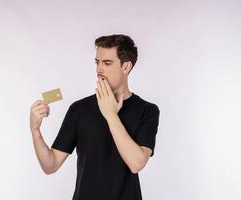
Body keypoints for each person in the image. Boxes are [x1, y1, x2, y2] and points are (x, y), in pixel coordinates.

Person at [29, 34, 160, 200]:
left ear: (126, 67)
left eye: (107, 63)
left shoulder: (147, 110)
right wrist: (35, 130)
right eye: (97, 62)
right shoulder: (79, 109)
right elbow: (50, 165)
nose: (99, 69)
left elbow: (136, 164)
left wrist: (110, 114)